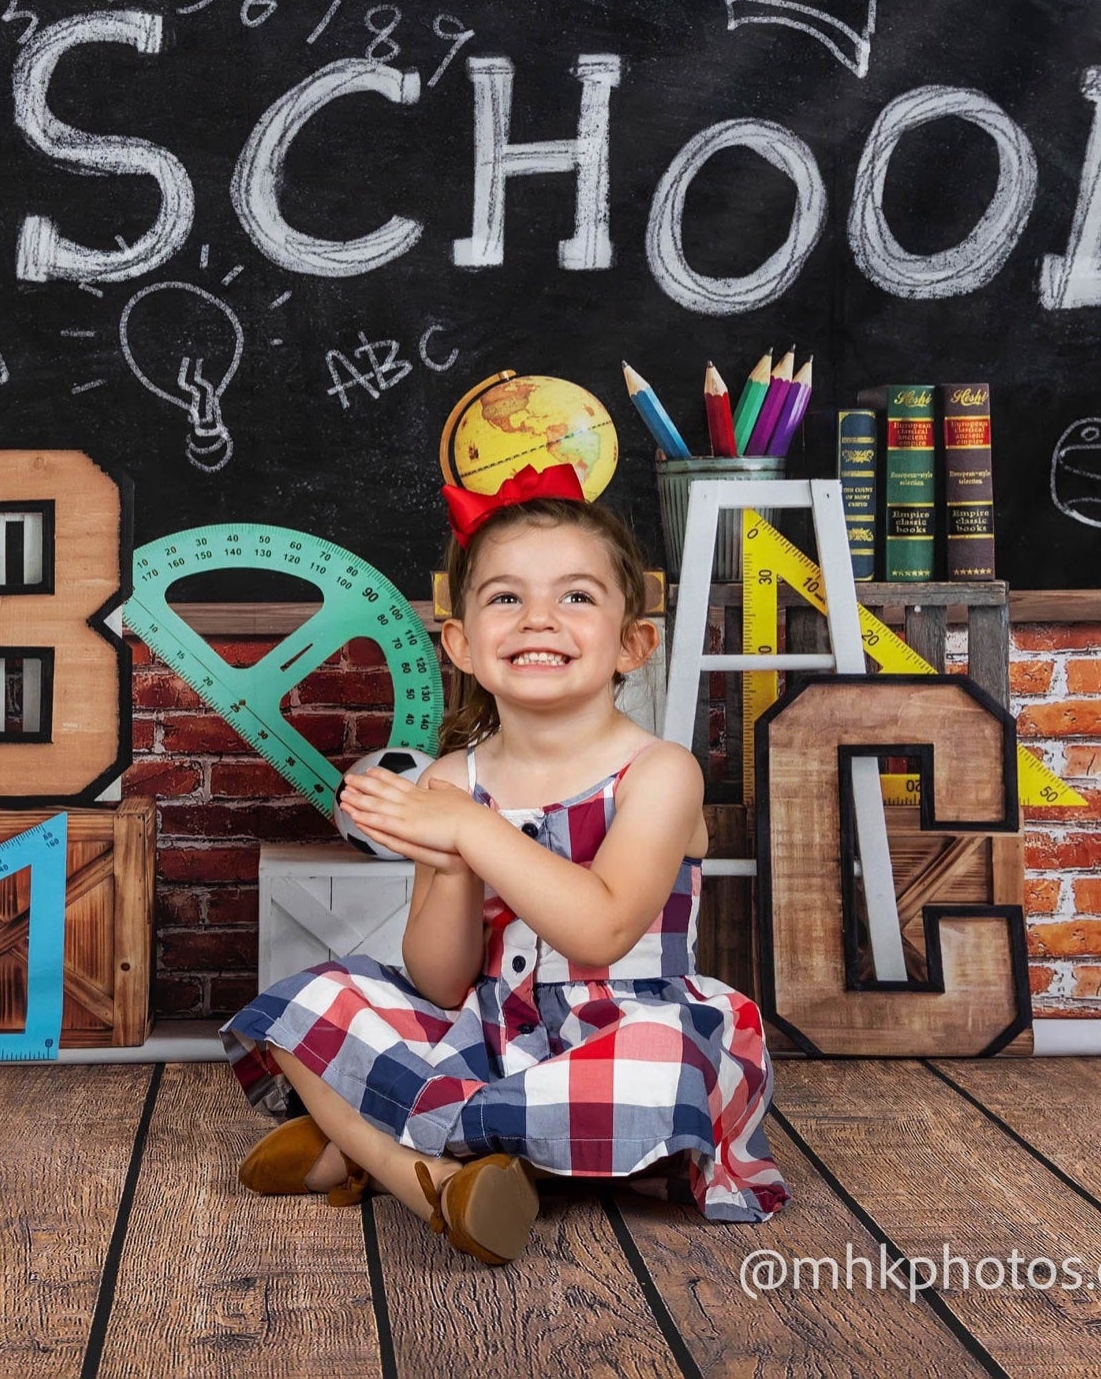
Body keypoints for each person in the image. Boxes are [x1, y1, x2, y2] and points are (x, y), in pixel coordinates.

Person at [219, 462, 789, 1265]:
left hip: (618, 1034)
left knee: (663, 1068)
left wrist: (468, 831)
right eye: (506, 598)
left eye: (576, 596)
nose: (538, 620)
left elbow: (600, 928)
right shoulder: (453, 780)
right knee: (309, 1002)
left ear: (634, 644)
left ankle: (368, 1148)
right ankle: (428, 1178)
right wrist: (452, 867)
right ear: (461, 643)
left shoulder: (660, 772)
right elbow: (440, 982)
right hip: (487, 1032)